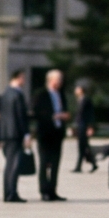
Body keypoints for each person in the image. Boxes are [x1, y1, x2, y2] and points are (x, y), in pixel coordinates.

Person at [0, 70, 32, 203]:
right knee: (14, 164)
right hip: (16, 133)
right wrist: (26, 134)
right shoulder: (17, 94)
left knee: (9, 164)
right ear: (18, 78)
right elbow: (21, 116)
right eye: (23, 78)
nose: (25, 81)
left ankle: (8, 193)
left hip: (6, 133)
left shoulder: (5, 94)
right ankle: (12, 193)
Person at [35, 70, 69, 202]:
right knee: (44, 163)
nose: (60, 82)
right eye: (58, 79)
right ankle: (44, 191)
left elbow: (65, 110)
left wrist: (65, 116)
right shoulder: (41, 94)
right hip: (45, 134)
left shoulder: (61, 94)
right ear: (50, 80)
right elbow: (37, 112)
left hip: (57, 134)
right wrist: (54, 116)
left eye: (61, 79)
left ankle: (53, 191)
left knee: (55, 163)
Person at [71, 83, 95, 172]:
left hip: (84, 125)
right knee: (84, 146)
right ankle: (93, 163)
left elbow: (90, 114)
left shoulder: (86, 100)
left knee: (82, 146)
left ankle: (78, 167)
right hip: (80, 125)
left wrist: (90, 126)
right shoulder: (79, 100)